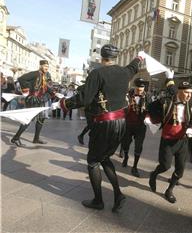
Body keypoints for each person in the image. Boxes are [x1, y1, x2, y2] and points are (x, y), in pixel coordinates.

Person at [54, 44, 144, 212]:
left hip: (104, 123)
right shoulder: (125, 72)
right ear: (116, 57)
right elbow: (134, 65)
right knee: (105, 158)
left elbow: (84, 99)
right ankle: (118, 195)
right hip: (121, 123)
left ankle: (98, 200)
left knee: (93, 161)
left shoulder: (97, 73)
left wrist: (64, 103)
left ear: (101, 58)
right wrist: (139, 57)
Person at [148, 70, 192, 204]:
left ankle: (169, 190)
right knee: (164, 166)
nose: (189, 96)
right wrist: (150, 119)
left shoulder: (191, 104)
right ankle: (153, 175)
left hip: (182, 141)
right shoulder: (166, 102)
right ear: (179, 91)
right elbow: (150, 108)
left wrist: (191, 129)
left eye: (190, 93)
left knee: (180, 171)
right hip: (167, 141)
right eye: (187, 93)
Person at [11, 60, 53, 147]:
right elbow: (21, 79)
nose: (46, 68)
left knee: (41, 119)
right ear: (40, 66)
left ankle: (36, 138)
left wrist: (54, 93)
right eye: (45, 66)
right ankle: (15, 138)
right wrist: (28, 89)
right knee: (28, 119)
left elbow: (46, 87)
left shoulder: (45, 76)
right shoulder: (35, 73)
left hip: (41, 100)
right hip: (33, 100)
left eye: (47, 66)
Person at [121, 77, 149, 177]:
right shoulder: (128, 95)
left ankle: (135, 167)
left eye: (141, 90)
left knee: (138, 146)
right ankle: (126, 156)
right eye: (138, 90)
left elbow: (150, 110)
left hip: (141, 126)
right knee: (125, 143)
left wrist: (149, 117)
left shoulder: (147, 97)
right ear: (135, 87)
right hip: (128, 124)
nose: (139, 92)